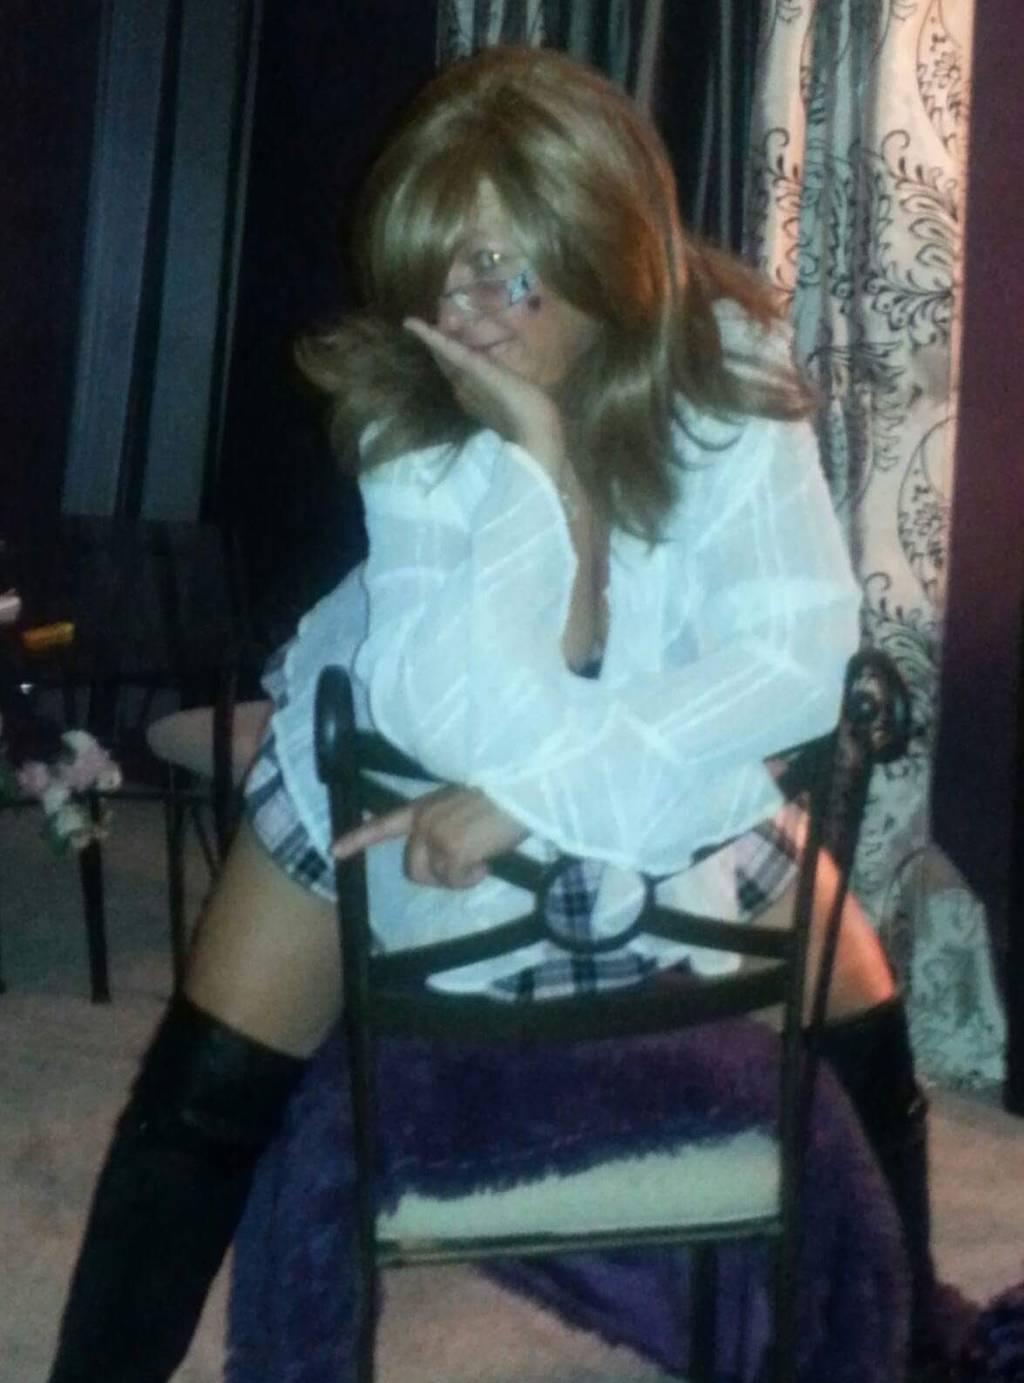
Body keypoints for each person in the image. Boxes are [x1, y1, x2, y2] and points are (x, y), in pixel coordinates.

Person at [47, 45, 963, 1383]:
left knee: (863, 1002)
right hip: (404, 749)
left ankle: (917, 1350)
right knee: (200, 1098)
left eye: (497, 266)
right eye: (437, 267)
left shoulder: (720, 366)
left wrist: (535, 799)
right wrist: (548, 480)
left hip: (642, 739)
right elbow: (453, 720)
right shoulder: (410, 404)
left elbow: (793, 655)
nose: (458, 309)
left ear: (597, 241)